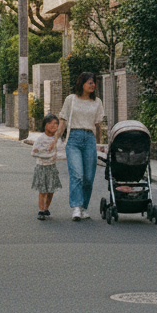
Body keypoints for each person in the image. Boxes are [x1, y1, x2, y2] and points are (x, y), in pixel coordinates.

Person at [57, 72, 108, 221]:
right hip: (73, 138)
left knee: (88, 177)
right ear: (82, 84)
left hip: (90, 140)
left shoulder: (97, 102)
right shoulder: (70, 99)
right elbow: (63, 121)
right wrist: (55, 140)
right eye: (90, 82)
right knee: (77, 174)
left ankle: (84, 207)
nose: (93, 85)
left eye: (94, 83)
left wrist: (99, 144)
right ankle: (77, 207)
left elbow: (98, 126)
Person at [31, 115, 63, 220]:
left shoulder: (57, 139)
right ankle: (41, 210)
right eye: (51, 123)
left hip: (52, 167)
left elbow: (61, 152)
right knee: (43, 190)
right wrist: (45, 152)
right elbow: (34, 152)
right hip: (41, 167)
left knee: (51, 190)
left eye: (56, 123)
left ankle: (46, 208)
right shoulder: (41, 138)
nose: (54, 125)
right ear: (45, 125)